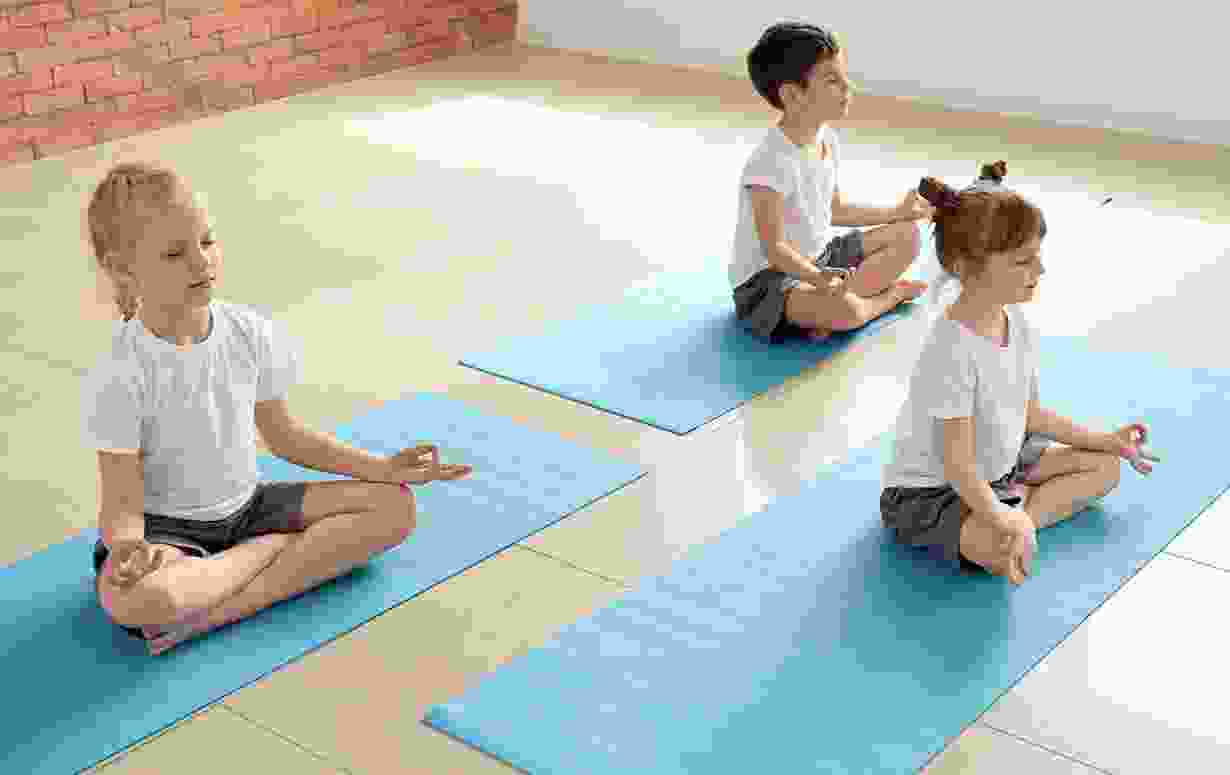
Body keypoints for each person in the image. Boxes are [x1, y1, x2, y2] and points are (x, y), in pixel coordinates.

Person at [84, 162, 472, 655]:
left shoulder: (247, 332)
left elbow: (285, 435)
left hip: (251, 509)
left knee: (395, 507)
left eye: (207, 241)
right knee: (142, 600)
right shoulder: (120, 371)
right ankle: (272, 553)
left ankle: (221, 610)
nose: (202, 262)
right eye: (175, 253)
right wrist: (126, 549)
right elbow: (121, 503)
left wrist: (383, 468)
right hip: (168, 534)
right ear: (123, 269)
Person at [879, 161, 1147, 584]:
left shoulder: (1016, 321)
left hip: (1000, 466)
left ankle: (1021, 521)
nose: (1040, 271)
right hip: (932, 492)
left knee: (1107, 467)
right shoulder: (950, 348)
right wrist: (997, 514)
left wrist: (1106, 440)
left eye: (1037, 257)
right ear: (966, 267)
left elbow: (1031, 414)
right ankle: (1014, 522)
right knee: (996, 548)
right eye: (1023, 261)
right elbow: (958, 466)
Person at [731, 21, 931, 344]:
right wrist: (817, 278)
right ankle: (887, 298)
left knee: (907, 235)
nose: (847, 87)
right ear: (792, 95)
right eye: (832, 80)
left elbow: (835, 210)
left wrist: (898, 212)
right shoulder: (769, 163)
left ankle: (829, 308)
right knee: (846, 311)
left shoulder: (827, 140)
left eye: (843, 77)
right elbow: (775, 248)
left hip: (820, 259)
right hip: (770, 282)